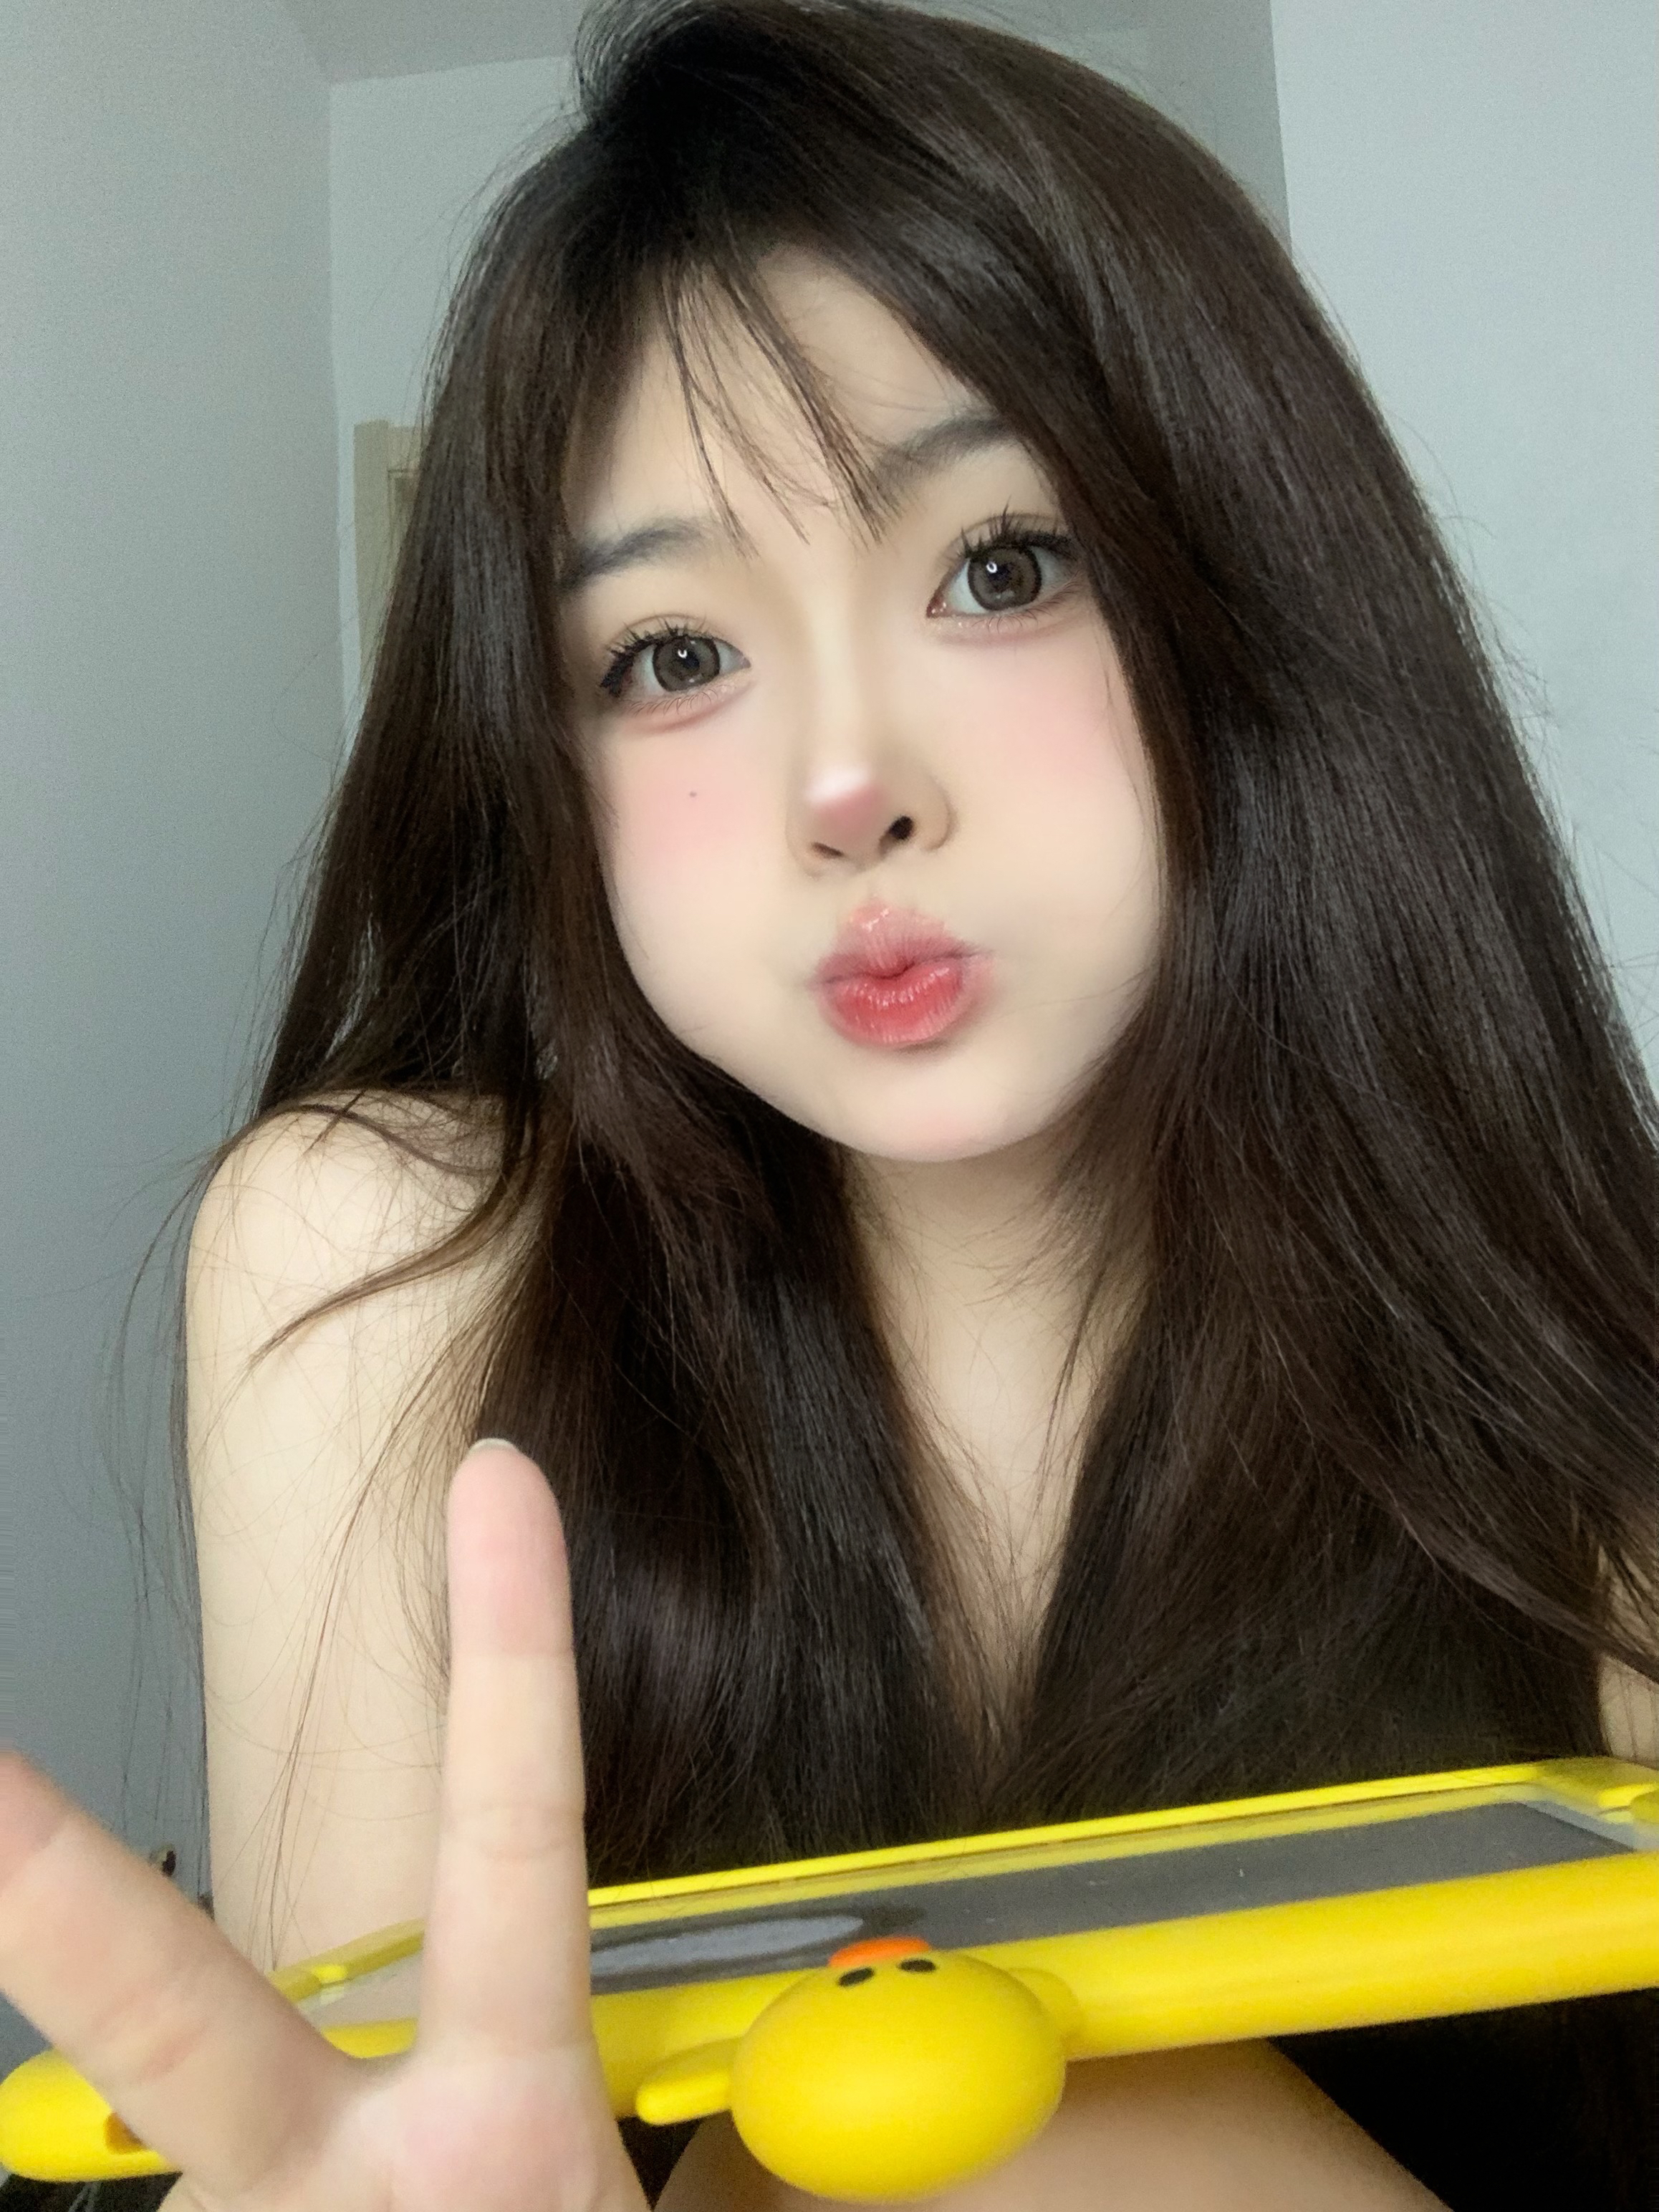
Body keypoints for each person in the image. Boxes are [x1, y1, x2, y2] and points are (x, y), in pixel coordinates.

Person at [2, 0, 1655, 2204]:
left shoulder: (1580, 1399)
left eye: (1001, 565)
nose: (846, 785)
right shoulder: (393, 1264)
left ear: (1250, 599)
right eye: (671, 657)